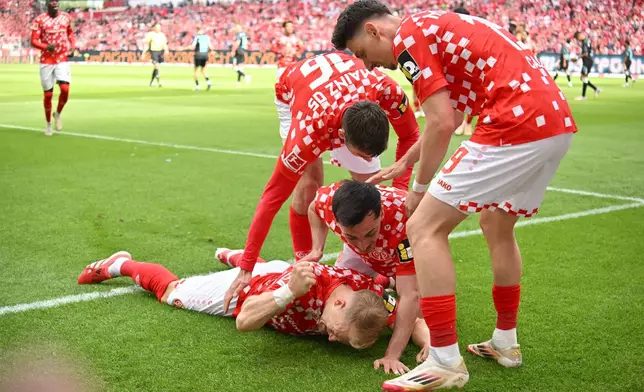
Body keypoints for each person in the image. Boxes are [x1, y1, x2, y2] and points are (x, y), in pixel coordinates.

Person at [332, 1, 577, 389]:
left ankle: (445, 360)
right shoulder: (436, 26)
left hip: (516, 120)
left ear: (374, 31)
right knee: (496, 224)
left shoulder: (409, 37)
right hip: (554, 121)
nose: (369, 66)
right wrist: (403, 165)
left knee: (423, 227)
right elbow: (454, 116)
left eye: (364, 54)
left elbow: (442, 123)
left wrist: (418, 188)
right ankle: (505, 343)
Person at [225, 51, 420, 311]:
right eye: (362, 152)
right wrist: (246, 268)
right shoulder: (305, 135)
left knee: (369, 188)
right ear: (341, 136)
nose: (369, 158)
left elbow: (411, 136)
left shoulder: (386, 88)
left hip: (342, 88)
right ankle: (304, 262)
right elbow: (272, 197)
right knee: (310, 186)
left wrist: (399, 193)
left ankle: (379, 264)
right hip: (294, 93)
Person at [77, 250, 431, 353]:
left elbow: (412, 318)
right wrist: (287, 293)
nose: (331, 338)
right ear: (338, 305)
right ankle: (121, 263)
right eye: (337, 333)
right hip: (253, 290)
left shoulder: (369, 302)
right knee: (173, 293)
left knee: (276, 268)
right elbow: (245, 321)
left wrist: (429, 345)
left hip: (280, 270)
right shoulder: (302, 286)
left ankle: (238, 255)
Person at [304, 180, 420, 374]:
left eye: (370, 233)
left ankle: (390, 278)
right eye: (352, 236)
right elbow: (313, 207)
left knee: (421, 314)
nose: (364, 245)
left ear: (381, 213)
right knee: (342, 295)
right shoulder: (326, 200)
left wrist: (392, 355)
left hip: (404, 250)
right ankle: (385, 280)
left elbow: (410, 295)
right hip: (356, 256)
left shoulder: (405, 222)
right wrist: (317, 248)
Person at [30, 0, 75, 136]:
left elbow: (71, 34)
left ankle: (58, 113)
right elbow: (33, 41)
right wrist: (45, 47)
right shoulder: (39, 20)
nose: (55, 3)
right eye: (52, 1)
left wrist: (72, 47)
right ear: (47, 4)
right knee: (48, 94)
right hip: (46, 59)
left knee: (65, 89)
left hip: (62, 57)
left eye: (57, 1)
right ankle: (48, 123)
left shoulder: (66, 17)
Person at [574, 31, 600, 100]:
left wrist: (578, 57)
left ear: (579, 36)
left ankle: (584, 96)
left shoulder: (584, 42)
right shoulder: (587, 40)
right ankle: (595, 89)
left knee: (583, 78)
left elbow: (585, 53)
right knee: (583, 78)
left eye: (577, 39)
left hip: (586, 61)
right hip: (589, 61)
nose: (578, 40)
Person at [142, 23, 168, 87]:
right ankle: (159, 82)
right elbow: (146, 44)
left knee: (156, 67)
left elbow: (164, 44)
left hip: (160, 52)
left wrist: (166, 50)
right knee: (156, 66)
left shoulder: (162, 35)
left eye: (159, 27)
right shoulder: (150, 34)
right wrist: (144, 53)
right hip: (153, 52)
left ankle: (151, 82)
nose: (158, 29)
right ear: (154, 28)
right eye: (157, 27)